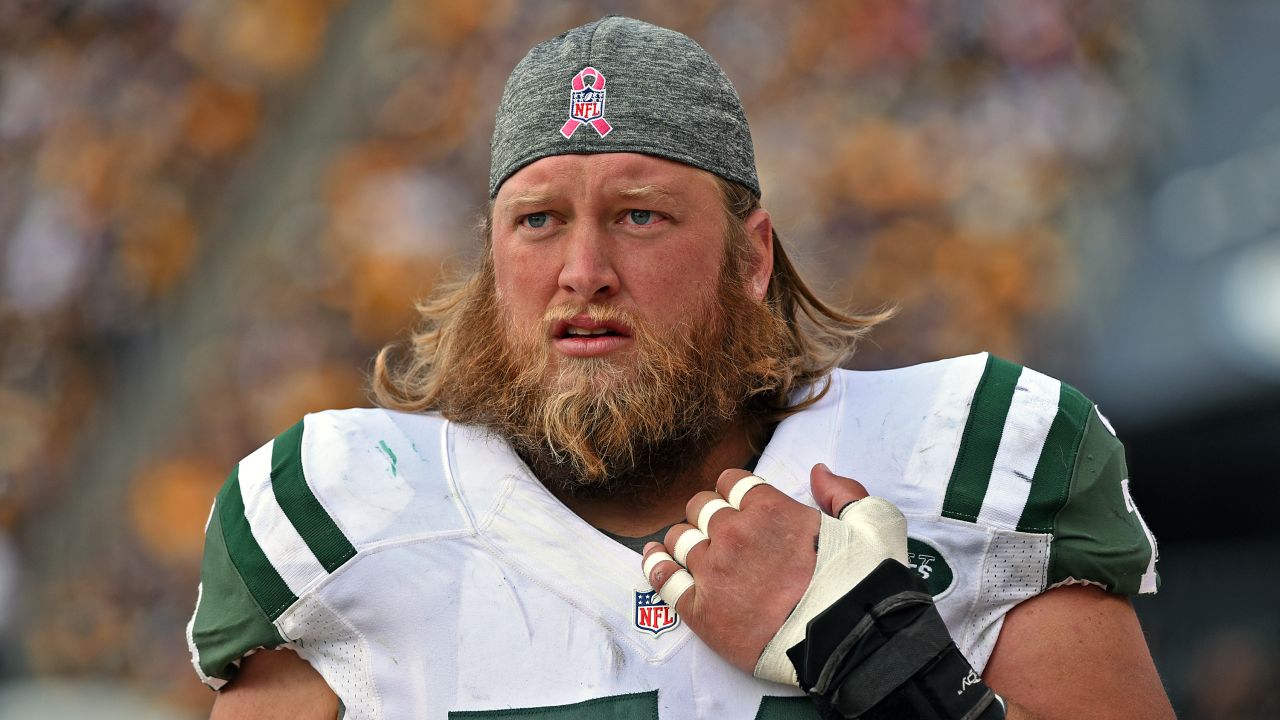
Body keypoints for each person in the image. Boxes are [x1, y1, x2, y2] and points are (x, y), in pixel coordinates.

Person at [187, 16, 1174, 720]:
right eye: (538, 221)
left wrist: (880, 660)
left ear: (750, 258)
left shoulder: (961, 461)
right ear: (492, 261)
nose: (582, 272)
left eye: (638, 215)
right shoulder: (345, 520)